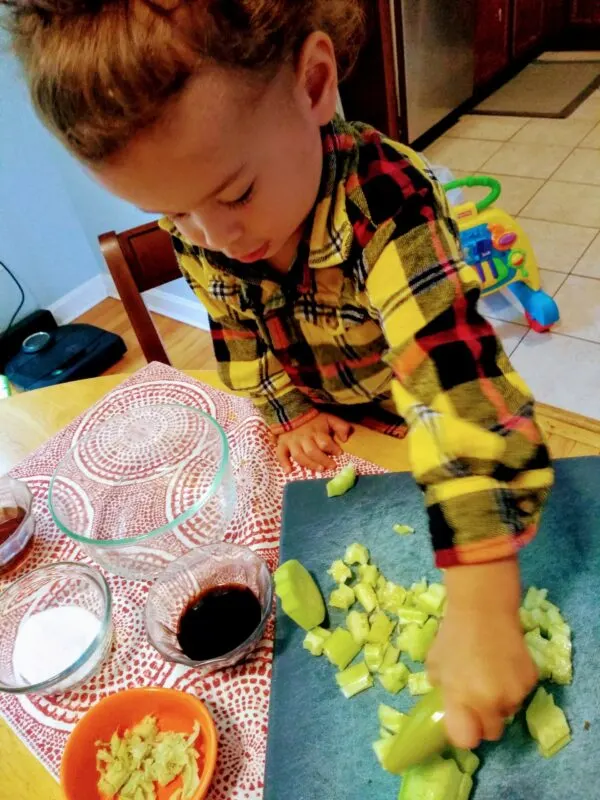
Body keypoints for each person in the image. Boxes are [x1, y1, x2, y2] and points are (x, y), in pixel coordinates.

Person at [4, 0, 553, 751]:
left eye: (235, 194)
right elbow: (238, 330)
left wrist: (485, 606)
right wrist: (287, 410)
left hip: (406, 424)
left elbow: (457, 386)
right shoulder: (202, 225)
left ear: (315, 82)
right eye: (173, 213)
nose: (215, 238)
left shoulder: (388, 200)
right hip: (326, 419)